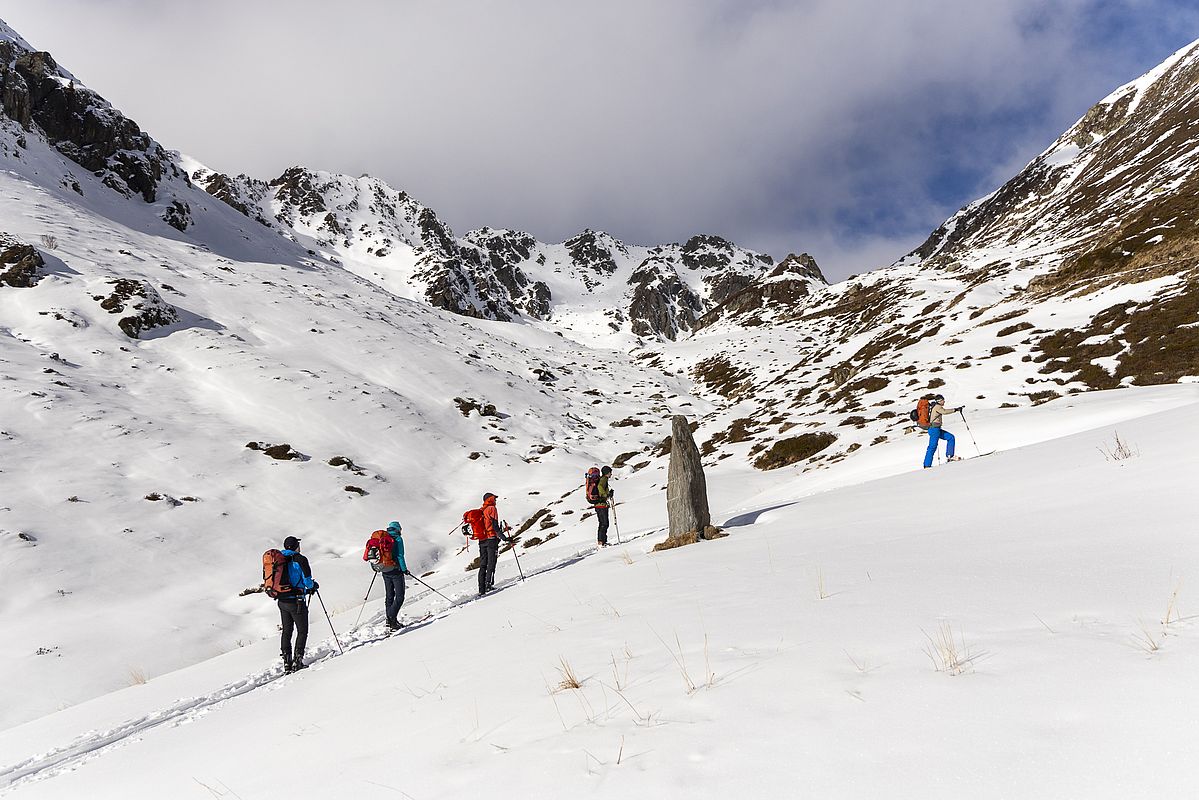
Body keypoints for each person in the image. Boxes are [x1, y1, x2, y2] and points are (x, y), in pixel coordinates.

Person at [278, 535, 316, 673]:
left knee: (287, 631)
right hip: (296, 601)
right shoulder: (300, 559)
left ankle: (287, 662)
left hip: (282, 601)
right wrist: (312, 586)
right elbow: (307, 582)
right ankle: (298, 660)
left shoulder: (278, 559)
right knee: (302, 630)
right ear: (296, 546)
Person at [477, 492, 511, 595]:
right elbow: (495, 527)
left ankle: (481, 589)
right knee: (491, 562)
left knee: (483, 564)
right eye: (494, 498)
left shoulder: (481, 510)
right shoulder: (492, 509)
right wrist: (505, 539)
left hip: (482, 540)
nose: (495, 500)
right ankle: (488, 585)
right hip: (491, 539)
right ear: (490, 499)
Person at [380, 521, 409, 630]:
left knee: (389, 596)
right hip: (396, 570)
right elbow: (400, 555)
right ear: (398, 529)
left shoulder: (383, 538)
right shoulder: (398, 539)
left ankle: (390, 621)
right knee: (400, 597)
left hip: (385, 570)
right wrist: (404, 569)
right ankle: (392, 619)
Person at [923, 394, 963, 469]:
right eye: (943, 400)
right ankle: (927, 465)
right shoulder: (937, 407)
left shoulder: (935, 406)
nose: (944, 401)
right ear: (939, 401)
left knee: (950, 437)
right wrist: (955, 409)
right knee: (932, 447)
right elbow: (944, 412)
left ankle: (950, 456)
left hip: (936, 429)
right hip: (934, 429)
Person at [594, 466, 614, 547]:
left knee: (602, 523)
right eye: (610, 472)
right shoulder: (603, 479)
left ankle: (602, 541)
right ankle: (602, 542)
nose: (611, 474)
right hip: (601, 505)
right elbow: (600, 487)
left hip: (599, 505)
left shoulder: (602, 479)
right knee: (604, 523)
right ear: (607, 473)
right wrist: (606, 494)